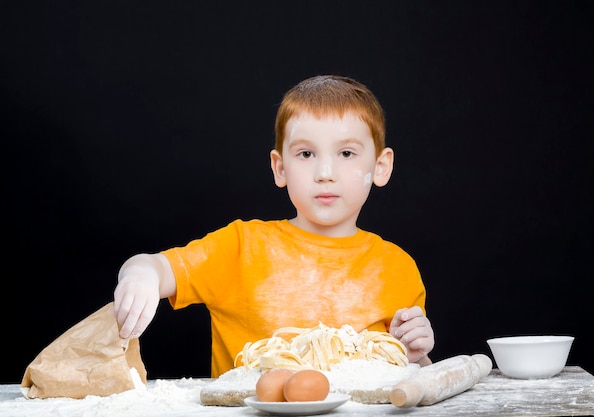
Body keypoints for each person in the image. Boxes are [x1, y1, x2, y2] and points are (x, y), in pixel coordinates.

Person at [113, 75, 435, 377]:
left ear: (380, 167)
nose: (325, 171)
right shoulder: (242, 246)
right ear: (280, 168)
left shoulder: (397, 268)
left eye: (346, 153)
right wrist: (141, 276)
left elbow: (413, 377)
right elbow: (155, 266)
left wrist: (416, 354)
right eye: (306, 153)